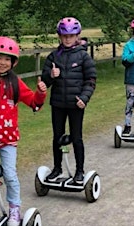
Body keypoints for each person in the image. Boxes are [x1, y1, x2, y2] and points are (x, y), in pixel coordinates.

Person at [0, 36, 47, 226]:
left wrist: (41, 92)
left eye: (7, 59)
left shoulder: (15, 83)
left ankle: (14, 209)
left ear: (13, 62)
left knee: (10, 175)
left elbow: (33, 102)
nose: (3, 63)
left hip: (8, 138)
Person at [41, 17, 96, 184]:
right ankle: (57, 168)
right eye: (64, 36)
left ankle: (80, 170)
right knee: (57, 136)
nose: (67, 39)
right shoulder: (53, 57)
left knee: (76, 137)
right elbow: (44, 81)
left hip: (76, 104)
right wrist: (50, 76)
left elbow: (91, 80)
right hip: (58, 104)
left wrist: (84, 98)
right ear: (59, 36)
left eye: (71, 36)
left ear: (77, 36)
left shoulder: (83, 57)